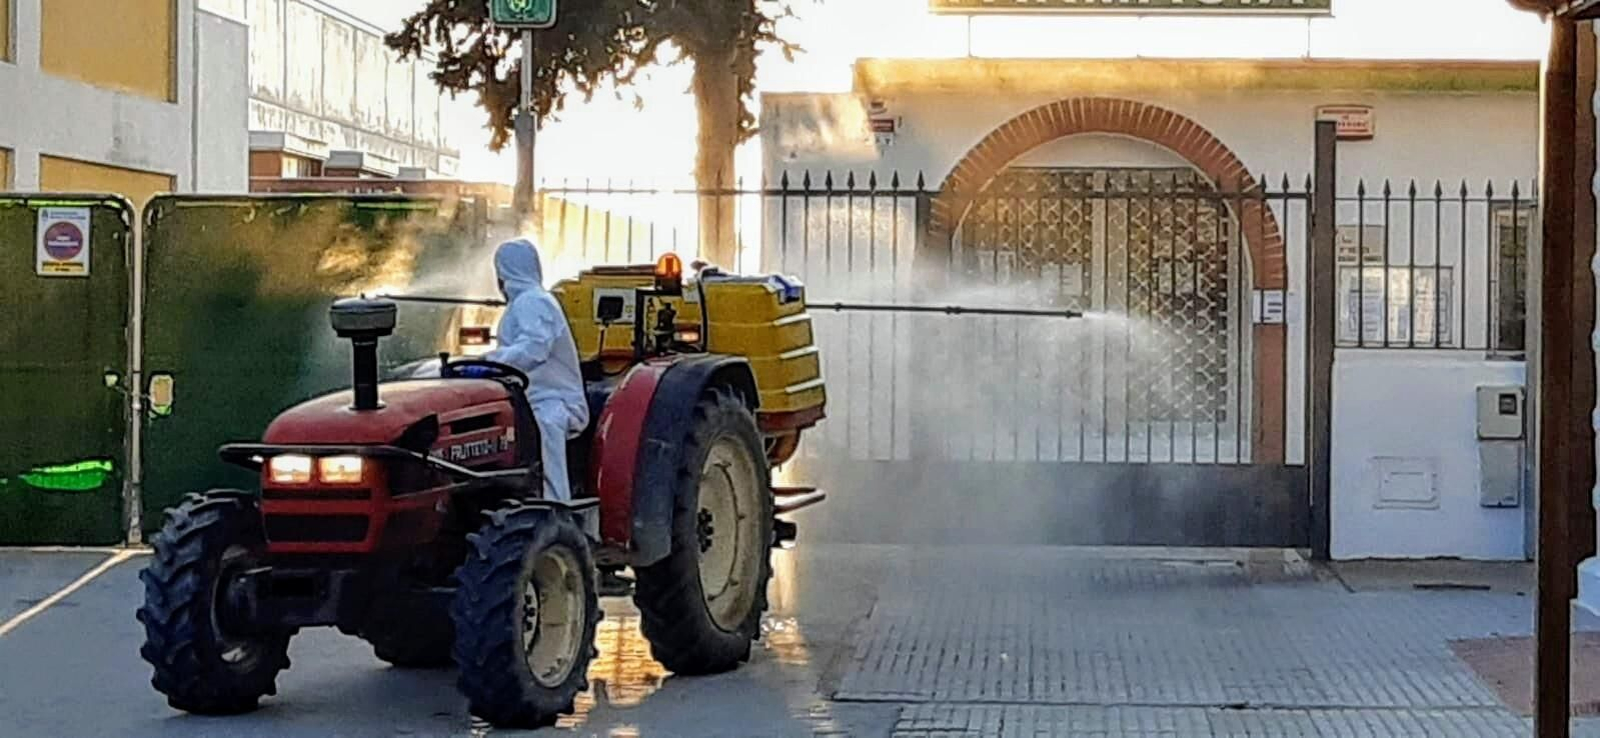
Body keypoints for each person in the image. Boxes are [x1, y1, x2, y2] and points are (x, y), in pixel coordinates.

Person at [476, 238, 589, 502]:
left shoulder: (534, 302)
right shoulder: (523, 304)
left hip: (553, 399)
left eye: (499, 274)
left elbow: (533, 349)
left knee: (544, 426)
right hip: (529, 397)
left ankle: (556, 507)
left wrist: (489, 362)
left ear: (505, 274)